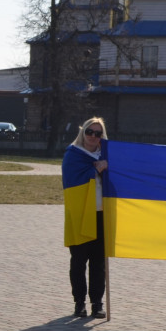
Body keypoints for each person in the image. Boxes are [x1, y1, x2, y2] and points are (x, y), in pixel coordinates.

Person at [64, 117, 109, 318]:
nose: (93, 136)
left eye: (97, 133)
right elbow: (72, 179)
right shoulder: (73, 155)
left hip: (102, 214)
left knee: (99, 262)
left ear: (102, 136)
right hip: (81, 213)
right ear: (83, 132)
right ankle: (79, 302)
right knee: (79, 260)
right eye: (89, 132)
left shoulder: (108, 155)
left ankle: (97, 303)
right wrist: (96, 169)